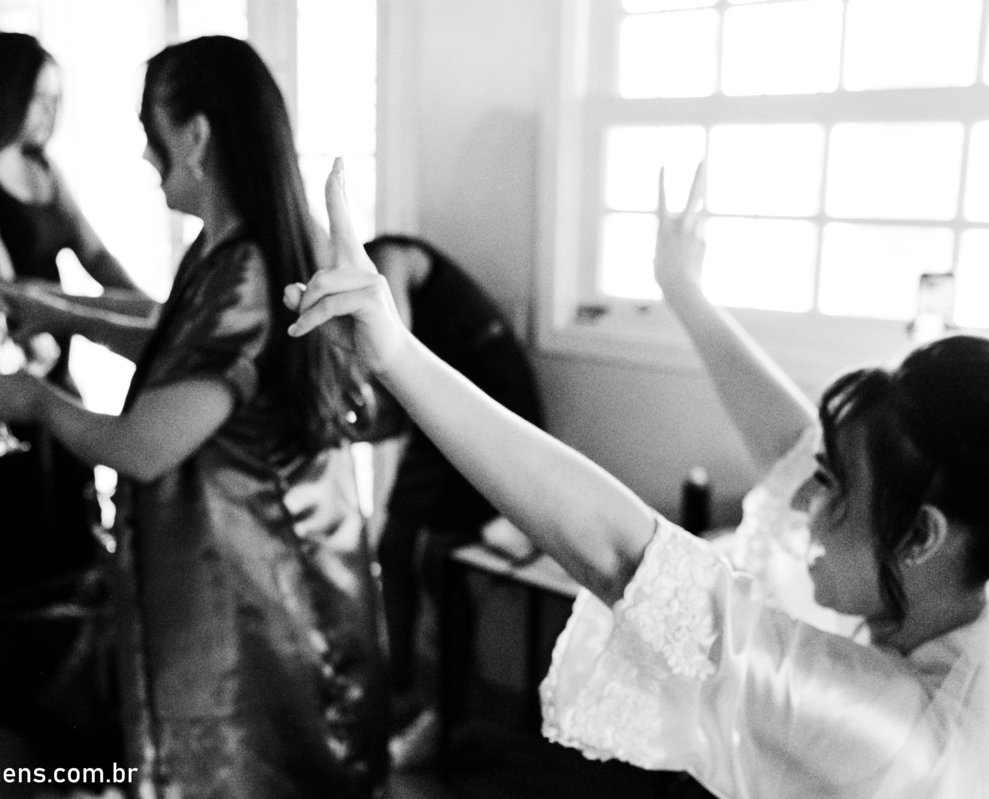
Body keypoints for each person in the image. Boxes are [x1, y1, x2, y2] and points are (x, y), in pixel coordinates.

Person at [286, 159, 989, 798]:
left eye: (835, 487)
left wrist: (398, 357)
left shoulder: (903, 738)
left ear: (921, 536)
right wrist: (683, 289)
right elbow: (793, 447)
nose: (806, 500)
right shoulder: (961, 588)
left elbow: (627, 558)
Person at [0, 36, 389, 798]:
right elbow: (176, 341)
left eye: (149, 132)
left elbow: (145, 445)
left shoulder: (249, 271)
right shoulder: (226, 251)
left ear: (195, 136)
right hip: (241, 586)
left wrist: (37, 402)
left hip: (269, 610)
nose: (144, 154)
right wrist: (65, 311)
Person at [0, 31, 139, 609]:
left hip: (49, 362)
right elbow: (3, 291)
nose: (50, 113)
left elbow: (95, 255)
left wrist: (160, 314)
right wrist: (92, 320)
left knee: (73, 522)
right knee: (16, 536)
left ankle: (74, 647)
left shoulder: (42, 169)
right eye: (38, 98)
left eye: (57, 99)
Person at [362, 234, 544, 761]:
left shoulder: (386, 254)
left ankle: (449, 716)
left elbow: (393, 342)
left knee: (440, 566)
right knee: (395, 548)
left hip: (488, 423)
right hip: (440, 422)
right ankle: (398, 691)